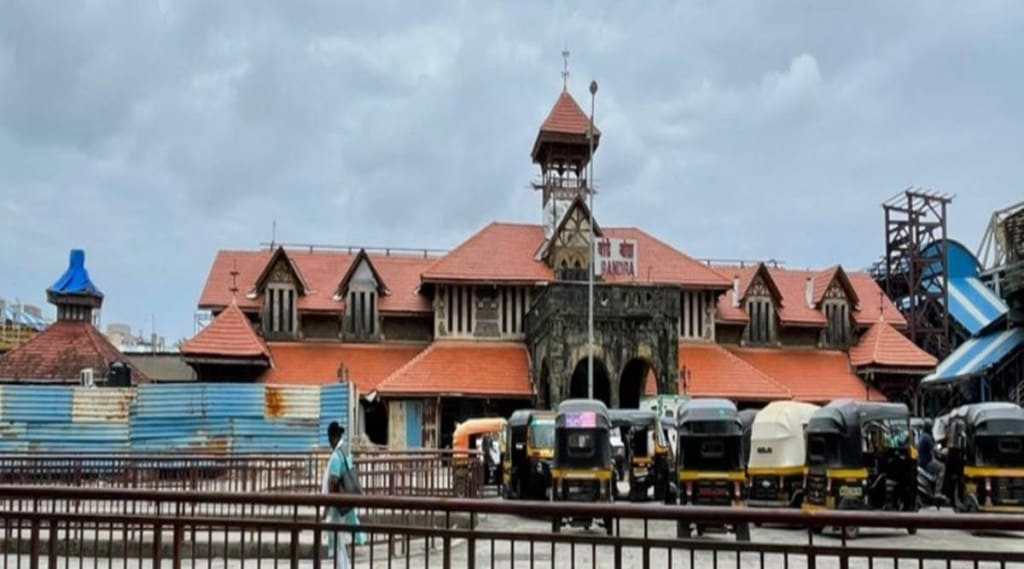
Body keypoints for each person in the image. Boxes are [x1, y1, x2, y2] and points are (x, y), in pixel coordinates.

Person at [322, 422, 366, 569]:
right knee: (340, 539)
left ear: (333, 437)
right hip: (348, 499)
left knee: (336, 539)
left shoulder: (335, 457)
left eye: (329, 438)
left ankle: (342, 566)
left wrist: (327, 506)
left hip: (338, 504)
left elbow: (333, 482)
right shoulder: (346, 451)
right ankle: (345, 565)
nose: (329, 442)